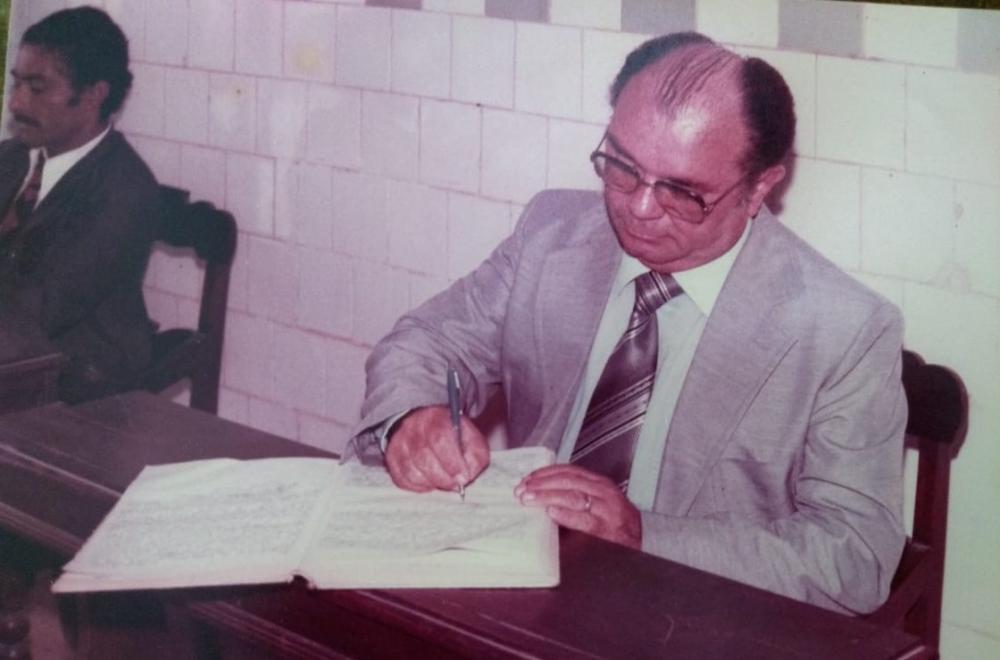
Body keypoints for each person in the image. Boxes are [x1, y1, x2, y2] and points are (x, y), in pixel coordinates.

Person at [352, 32, 906, 615]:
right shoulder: (550, 234)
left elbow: (853, 559)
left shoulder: (843, 328)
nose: (638, 208)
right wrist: (410, 417)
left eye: (683, 192)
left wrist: (645, 534)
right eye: (621, 167)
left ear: (759, 187)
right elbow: (428, 340)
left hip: (698, 622)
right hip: (523, 592)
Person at [0, 7, 160, 402]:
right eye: (16, 83)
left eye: (37, 88)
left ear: (93, 95)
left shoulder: (126, 191)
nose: (16, 104)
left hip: (83, 378)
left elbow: (41, 308)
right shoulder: (10, 159)